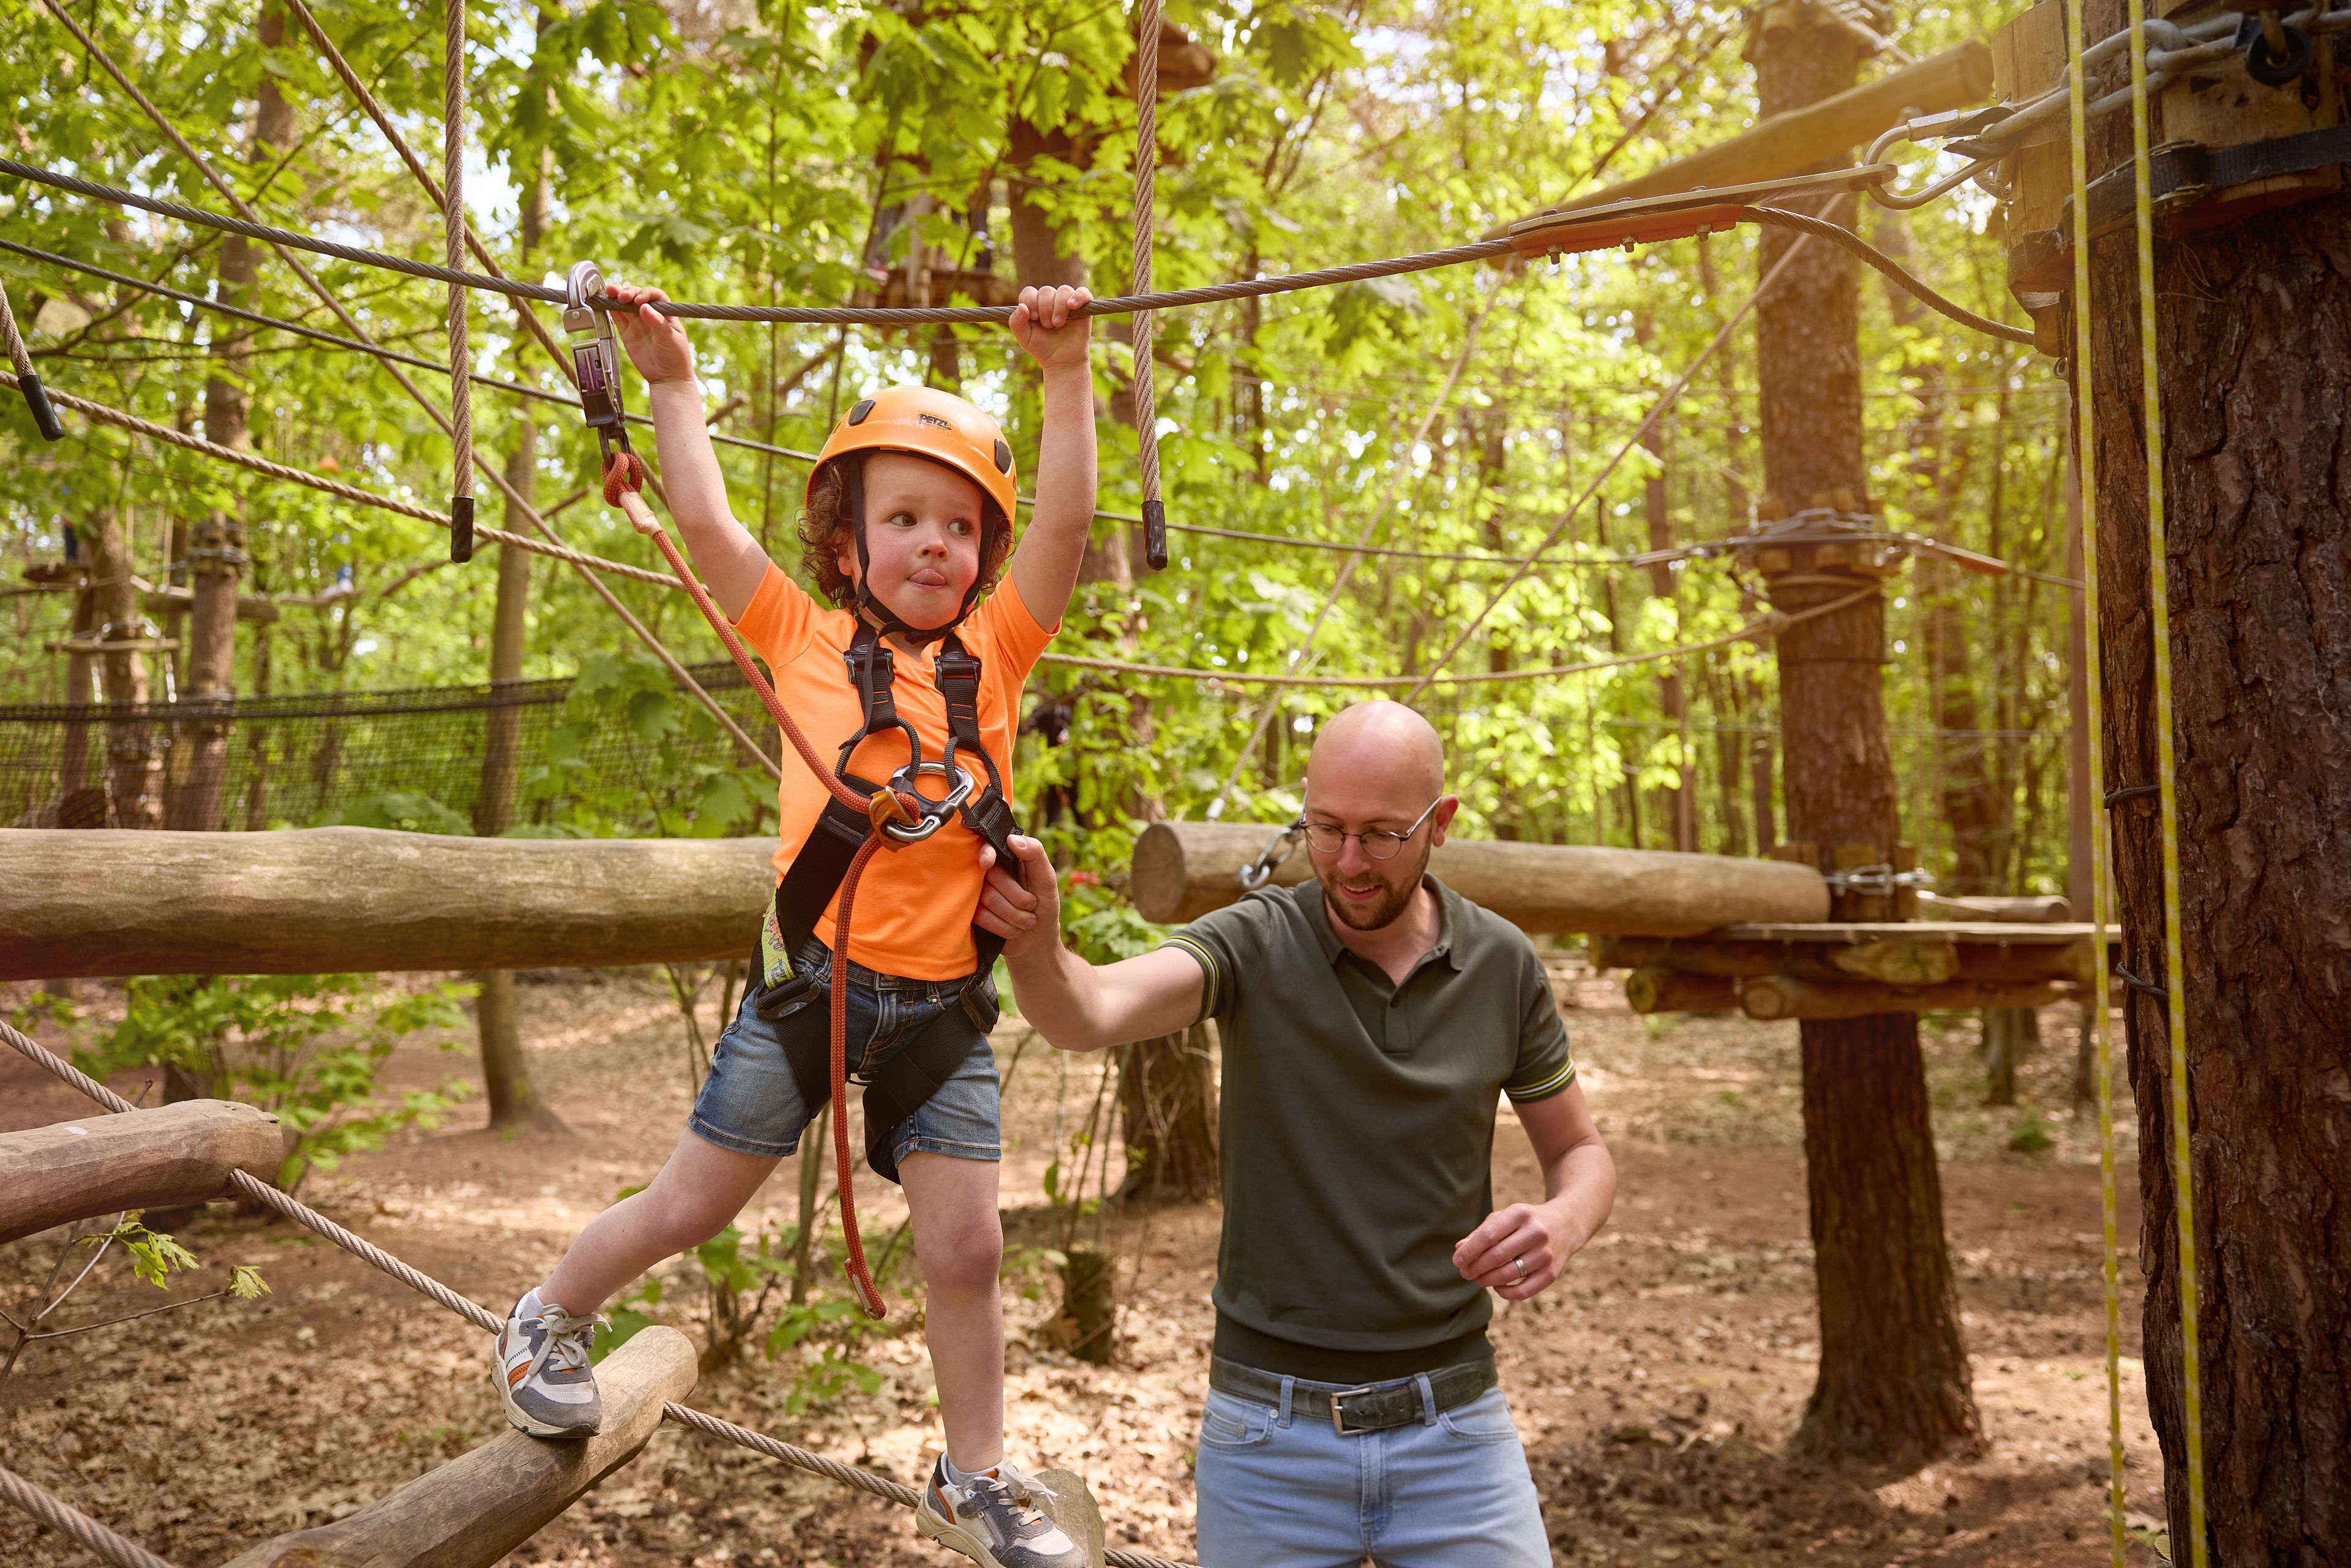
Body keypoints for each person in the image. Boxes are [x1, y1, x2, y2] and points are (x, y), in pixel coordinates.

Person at [492, 280, 1098, 1568]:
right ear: (846, 543)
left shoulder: (996, 652)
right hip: (813, 994)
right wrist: (669, 381)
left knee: (969, 1248)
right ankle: (546, 1316)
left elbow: (1067, 522)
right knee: (690, 1204)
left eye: (955, 526)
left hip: (939, 1010)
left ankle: (974, 1476)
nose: (933, 544)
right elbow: (703, 522)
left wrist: (1063, 376)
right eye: (903, 519)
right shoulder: (800, 635)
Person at [976, 700, 1616, 1567]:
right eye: (1326, 828)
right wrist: (1034, 945)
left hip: (1458, 1427)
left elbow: (1580, 1153)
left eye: (1383, 835)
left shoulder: (1502, 964)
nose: (1348, 862)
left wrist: (1564, 1221)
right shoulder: (1256, 942)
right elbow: (1087, 1010)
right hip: (1266, 1436)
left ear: (1442, 823)